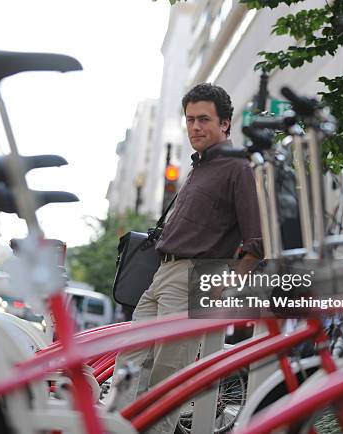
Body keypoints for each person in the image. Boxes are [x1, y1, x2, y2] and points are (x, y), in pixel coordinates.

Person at [110, 83, 263, 433]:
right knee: (130, 367)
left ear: (225, 123)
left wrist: (224, 285)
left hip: (194, 277)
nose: (195, 127)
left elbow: (256, 241)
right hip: (162, 274)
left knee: (168, 376)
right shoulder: (198, 167)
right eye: (190, 119)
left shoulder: (237, 167)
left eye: (204, 119)